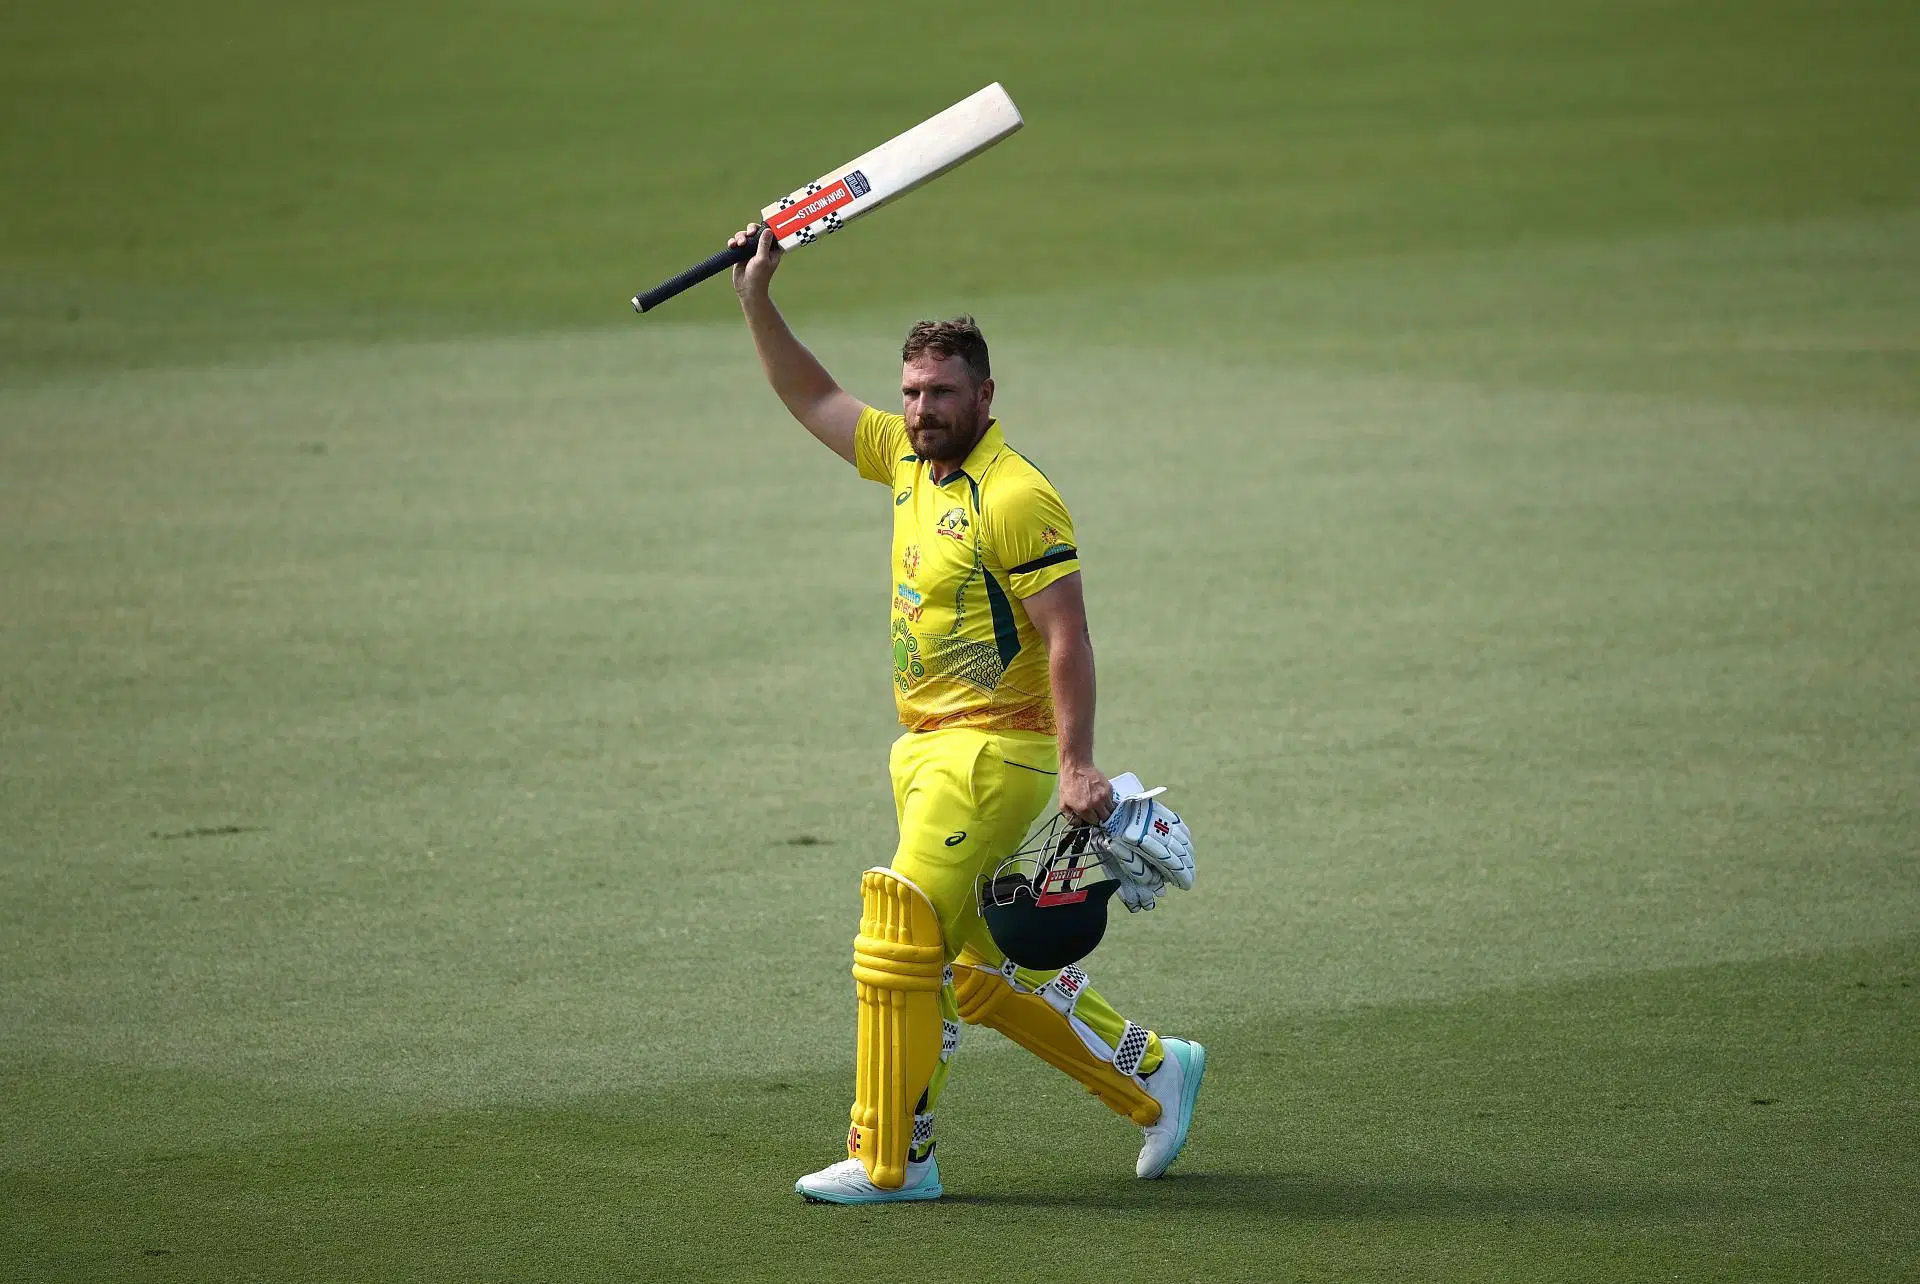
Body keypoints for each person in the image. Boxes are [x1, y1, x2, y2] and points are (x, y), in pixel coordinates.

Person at [725, 223, 1205, 1205]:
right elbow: (811, 395)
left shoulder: (1017, 495)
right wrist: (756, 300)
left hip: (998, 750)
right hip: (924, 749)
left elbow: (1067, 634)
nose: (921, 409)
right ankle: (1152, 1069)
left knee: (897, 929)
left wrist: (1080, 766)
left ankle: (894, 1157)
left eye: (941, 393)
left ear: (985, 397)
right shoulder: (905, 460)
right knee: (979, 969)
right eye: (910, 392)